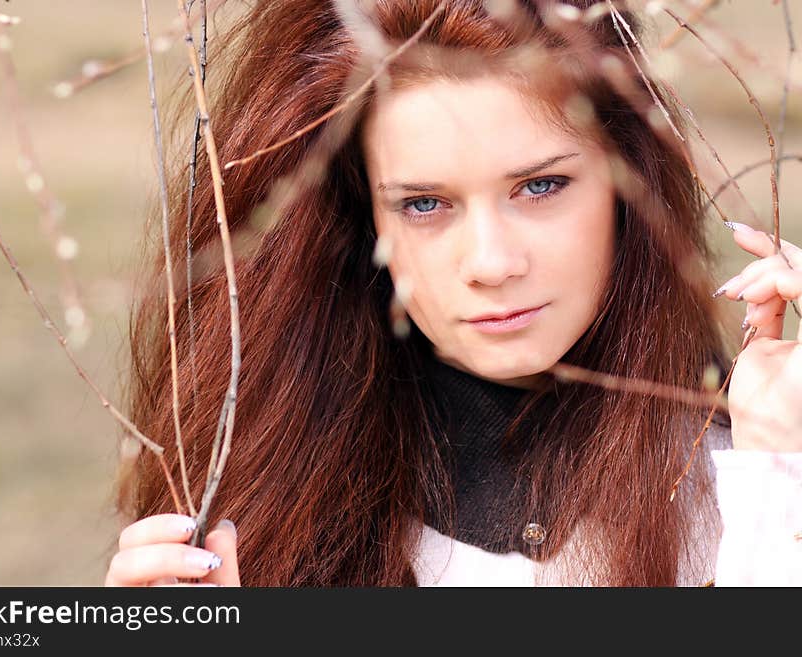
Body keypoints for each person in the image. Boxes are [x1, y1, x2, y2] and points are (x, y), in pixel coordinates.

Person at [104, 0, 802, 587]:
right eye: (425, 204)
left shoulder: (751, 473)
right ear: (356, 220)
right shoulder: (266, 500)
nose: (491, 263)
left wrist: (778, 481)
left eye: (540, 186)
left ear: (628, 186)